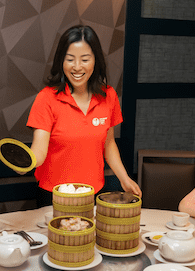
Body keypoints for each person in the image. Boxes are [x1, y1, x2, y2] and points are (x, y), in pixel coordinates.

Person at [27, 25, 141, 205]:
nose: (77, 67)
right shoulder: (46, 98)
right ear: (61, 61)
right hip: (53, 195)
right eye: (70, 59)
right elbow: (39, 149)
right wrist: (26, 162)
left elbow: (109, 144)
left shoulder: (108, 96)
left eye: (85, 59)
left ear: (95, 60)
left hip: (93, 193)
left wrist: (124, 178)